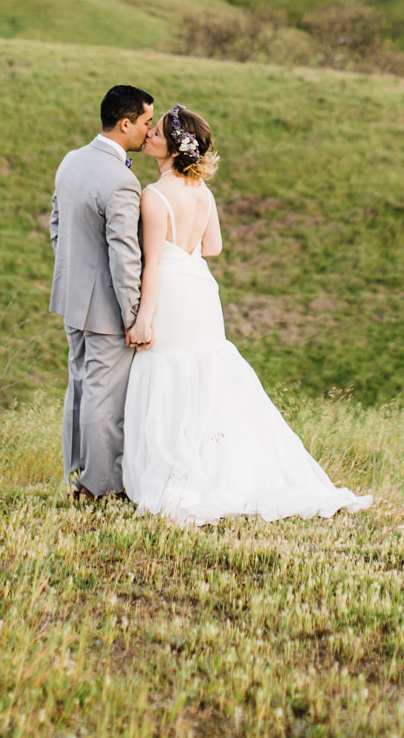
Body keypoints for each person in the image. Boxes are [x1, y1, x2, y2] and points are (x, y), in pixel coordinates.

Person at [122, 103, 372, 525]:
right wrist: (187, 243)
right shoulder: (203, 193)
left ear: (174, 148)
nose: (150, 137)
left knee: (168, 372)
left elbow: (154, 264)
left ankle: (179, 472)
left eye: (158, 134)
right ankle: (222, 467)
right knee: (205, 374)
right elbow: (214, 247)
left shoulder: (154, 195)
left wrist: (143, 318)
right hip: (201, 291)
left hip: (173, 294)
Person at [49, 85, 153, 498]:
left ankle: (77, 477)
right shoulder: (123, 181)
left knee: (79, 386)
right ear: (125, 124)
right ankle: (102, 487)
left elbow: (56, 222)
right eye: (146, 123)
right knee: (101, 399)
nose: (149, 131)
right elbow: (124, 257)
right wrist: (134, 316)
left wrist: (74, 268)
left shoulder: (71, 160)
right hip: (107, 309)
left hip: (72, 297)